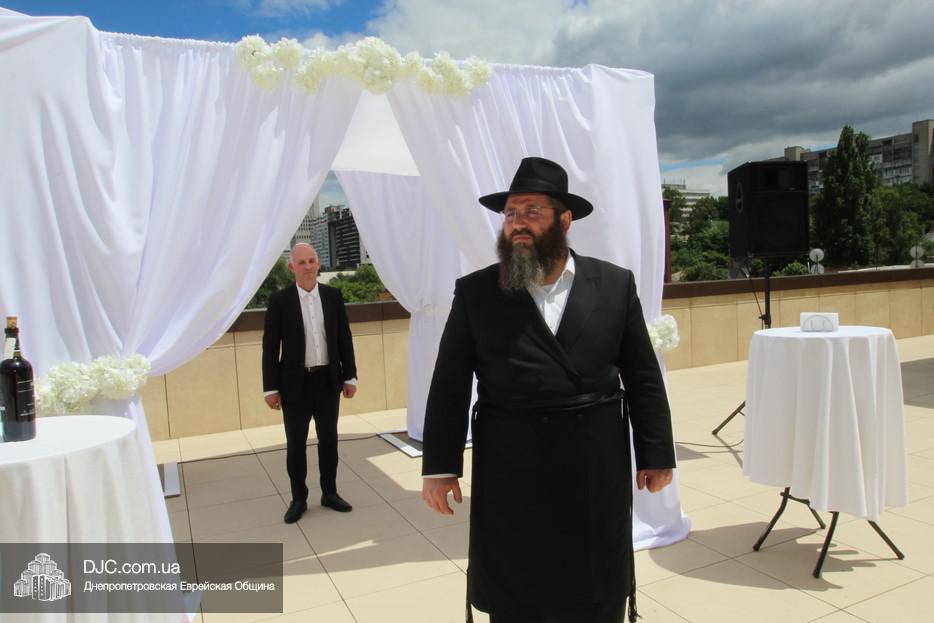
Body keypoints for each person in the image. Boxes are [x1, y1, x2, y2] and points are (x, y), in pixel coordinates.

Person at [421, 157, 675, 623]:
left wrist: (656, 453)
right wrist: (440, 467)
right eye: (510, 213)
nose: (517, 223)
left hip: (593, 464)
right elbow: (449, 383)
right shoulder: (478, 292)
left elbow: (642, 375)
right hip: (511, 465)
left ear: (564, 220)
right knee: (518, 587)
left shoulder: (614, 284)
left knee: (594, 583)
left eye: (531, 211)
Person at [263, 243, 358, 523]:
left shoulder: (332, 296)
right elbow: (270, 348)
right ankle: (299, 498)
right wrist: (270, 388)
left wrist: (350, 376)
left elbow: (344, 338)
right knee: (296, 444)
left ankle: (330, 492)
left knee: (329, 440)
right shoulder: (280, 301)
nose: (307, 266)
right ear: (291, 267)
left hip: (328, 381)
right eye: (301, 262)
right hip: (295, 385)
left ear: (318, 264)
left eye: (311, 261)